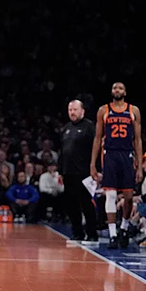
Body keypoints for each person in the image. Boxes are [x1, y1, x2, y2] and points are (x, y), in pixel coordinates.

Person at [90, 83, 143, 250]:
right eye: (114, 88)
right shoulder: (103, 110)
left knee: (128, 196)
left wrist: (140, 165)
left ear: (125, 92)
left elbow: (138, 139)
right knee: (111, 195)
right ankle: (113, 234)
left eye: (120, 88)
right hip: (110, 154)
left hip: (127, 154)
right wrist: (93, 164)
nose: (117, 90)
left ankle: (124, 228)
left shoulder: (133, 110)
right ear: (111, 92)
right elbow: (98, 138)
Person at [60, 100, 98, 242]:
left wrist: (96, 169)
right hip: (68, 173)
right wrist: (60, 171)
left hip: (84, 173)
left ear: (82, 111)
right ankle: (77, 232)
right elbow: (62, 151)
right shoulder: (66, 128)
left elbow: (96, 149)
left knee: (86, 204)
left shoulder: (89, 127)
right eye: (70, 110)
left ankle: (92, 233)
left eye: (75, 109)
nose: (72, 112)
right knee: (71, 205)